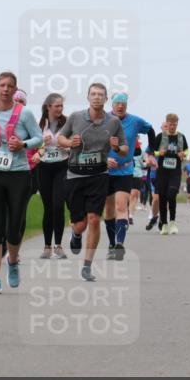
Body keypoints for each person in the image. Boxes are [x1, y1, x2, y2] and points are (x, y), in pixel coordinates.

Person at [0, 72, 43, 293]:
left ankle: (12, 262)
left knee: (14, 227)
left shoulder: (25, 114)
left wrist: (22, 144)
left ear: (15, 90)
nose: (5, 89)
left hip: (19, 174)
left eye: (10, 86)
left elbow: (39, 138)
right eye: (2, 85)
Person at [57, 83, 127, 282]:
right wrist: (70, 143)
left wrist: (118, 147)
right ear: (88, 97)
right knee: (80, 224)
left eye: (101, 95)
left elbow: (124, 148)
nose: (97, 97)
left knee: (95, 218)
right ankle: (76, 234)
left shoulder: (113, 122)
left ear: (106, 100)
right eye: (93, 94)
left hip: (99, 175)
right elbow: (60, 137)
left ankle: (87, 266)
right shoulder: (76, 117)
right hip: (75, 175)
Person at [104, 92, 156, 261]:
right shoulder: (103, 119)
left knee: (121, 207)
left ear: (126, 106)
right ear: (112, 105)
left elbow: (151, 130)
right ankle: (112, 243)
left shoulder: (135, 121)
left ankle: (119, 244)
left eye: (123, 104)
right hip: (104, 170)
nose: (120, 106)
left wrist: (151, 151)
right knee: (109, 210)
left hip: (125, 170)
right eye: (117, 103)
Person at [35, 92, 69, 260]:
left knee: (58, 205)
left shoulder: (67, 123)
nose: (60, 109)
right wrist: (42, 144)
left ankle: (59, 246)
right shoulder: (39, 124)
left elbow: (74, 143)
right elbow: (32, 145)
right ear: (48, 107)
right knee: (48, 207)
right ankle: (47, 246)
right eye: (57, 106)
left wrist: (67, 146)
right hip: (44, 168)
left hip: (62, 167)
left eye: (61, 106)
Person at [152, 113, 188, 234]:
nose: (172, 126)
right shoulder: (160, 137)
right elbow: (152, 152)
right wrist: (159, 153)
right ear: (166, 123)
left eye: (174, 124)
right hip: (162, 172)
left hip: (175, 172)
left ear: (177, 124)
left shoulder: (181, 137)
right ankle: (164, 224)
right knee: (162, 197)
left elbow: (186, 150)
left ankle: (173, 222)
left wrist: (184, 154)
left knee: (171, 195)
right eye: (170, 124)